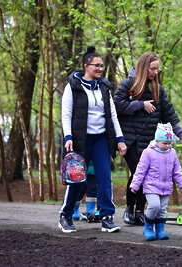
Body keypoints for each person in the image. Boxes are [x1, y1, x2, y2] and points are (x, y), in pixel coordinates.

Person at [113, 52, 182, 226]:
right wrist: (140, 104)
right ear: (143, 67)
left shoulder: (158, 90)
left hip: (149, 142)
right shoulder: (128, 85)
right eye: (152, 69)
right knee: (138, 173)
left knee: (146, 175)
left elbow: (170, 116)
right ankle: (129, 209)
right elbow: (116, 106)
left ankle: (140, 212)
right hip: (130, 141)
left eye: (157, 69)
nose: (156, 72)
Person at [59, 46, 127, 233]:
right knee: (77, 179)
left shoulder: (104, 87)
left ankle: (107, 216)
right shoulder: (73, 86)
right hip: (80, 140)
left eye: (102, 66)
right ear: (86, 66)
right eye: (96, 65)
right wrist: (68, 137)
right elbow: (66, 114)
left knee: (104, 178)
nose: (99, 69)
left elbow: (112, 114)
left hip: (101, 140)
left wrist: (120, 139)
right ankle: (65, 215)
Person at [130, 123, 182, 240]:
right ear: (157, 141)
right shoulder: (148, 153)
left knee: (162, 209)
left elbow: (177, 170)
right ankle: (148, 227)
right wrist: (135, 185)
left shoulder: (172, 153)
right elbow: (140, 170)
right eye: (164, 143)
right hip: (151, 185)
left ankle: (160, 230)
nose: (167, 146)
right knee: (154, 206)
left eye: (169, 143)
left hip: (166, 186)